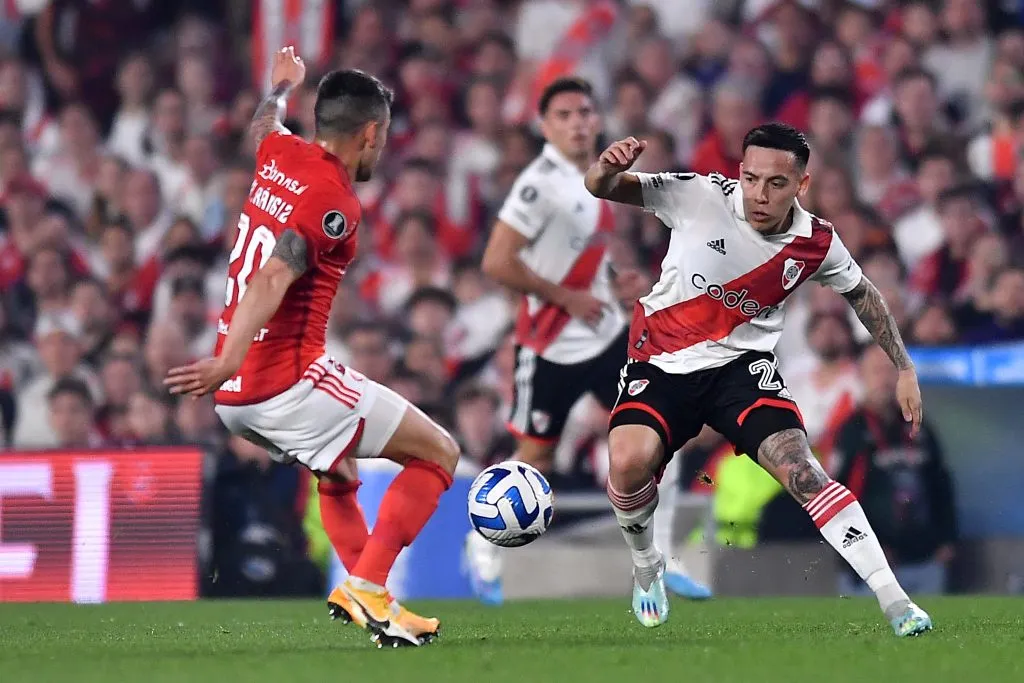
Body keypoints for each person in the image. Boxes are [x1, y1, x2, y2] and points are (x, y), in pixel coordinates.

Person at [584, 122, 933, 637]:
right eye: (750, 179)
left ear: (801, 186)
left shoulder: (816, 241)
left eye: (775, 183)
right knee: (628, 462)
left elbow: (864, 294)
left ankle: (896, 600)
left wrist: (903, 366)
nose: (759, 194)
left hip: (741, 372)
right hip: (662, 362)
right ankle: (646, 565)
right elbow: (604, 187)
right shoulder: (697, 195)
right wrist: (605, 168)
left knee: (804, 473)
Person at [164, 47, 459, 648]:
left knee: (338, 471)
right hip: (282, 380)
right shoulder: (334, 200)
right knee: (438, 454)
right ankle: (369, 587)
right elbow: (274, 275)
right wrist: (226, 358)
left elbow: (260, 127)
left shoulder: (280, 152)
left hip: (237, 396)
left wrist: (279, 88)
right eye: (383, 137)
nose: (382, 149)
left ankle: (375, 605)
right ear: (370, 134)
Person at [467, 77, 710, 605]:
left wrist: (618, 285)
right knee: (536, 460)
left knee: (661, 435)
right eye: (565, 115)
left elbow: (587, 249)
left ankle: (661, 558)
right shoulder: (537, 185)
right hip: (550, 345)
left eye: (584, 112)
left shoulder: (598, 177)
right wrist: (568, 298)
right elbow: (496, 261)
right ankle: (482, 549)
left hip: (606, 337)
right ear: (544, 126)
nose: (578, 122)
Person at [832, 345, 957, 596]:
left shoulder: (919, 427)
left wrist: (947, 538)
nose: (884, 380)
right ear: (861, 376)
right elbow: (835, 500)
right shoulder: (851, 431)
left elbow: (941, 484)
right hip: (871, 567)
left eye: (891, 371)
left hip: (925, 559)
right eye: (876, 371)